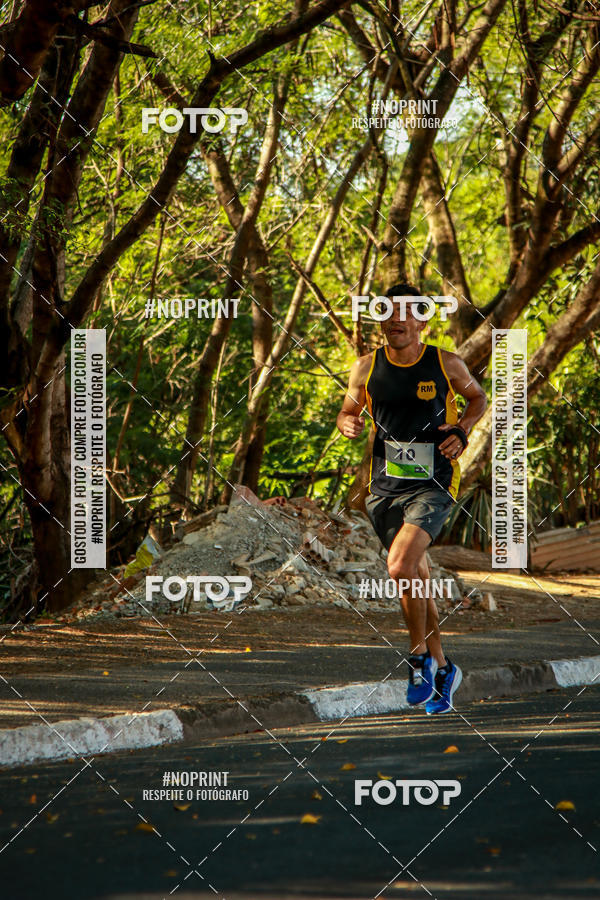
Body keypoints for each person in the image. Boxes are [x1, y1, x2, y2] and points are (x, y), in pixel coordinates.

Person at [336, 283, 487, 714]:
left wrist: (463, 429)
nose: (397, 319)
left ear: (422, 320)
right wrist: (348, 422)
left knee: (401, 566)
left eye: (407, 312)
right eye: (389, 312)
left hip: (433, 482)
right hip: (383, 488)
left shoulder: (446, 362)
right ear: (381, 318)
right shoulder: (366, 367)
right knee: (415, 577)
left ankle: (417, 658)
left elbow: (477, 398)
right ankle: (443, 667)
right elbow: (348, 409)